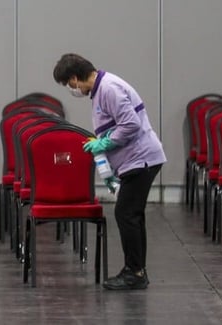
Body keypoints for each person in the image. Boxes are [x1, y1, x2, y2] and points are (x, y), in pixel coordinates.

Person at [53, 52, 166, 291]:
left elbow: (131, 125)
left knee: (126, 214)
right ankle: (136, 270)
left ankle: (134, 272)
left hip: (141, 159)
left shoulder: (109, 89)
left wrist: (103, 144)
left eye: (68, 84)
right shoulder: (101, 89)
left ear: (74, 77)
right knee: (132, 214)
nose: (71, 89)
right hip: (134, 160)